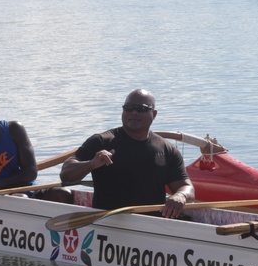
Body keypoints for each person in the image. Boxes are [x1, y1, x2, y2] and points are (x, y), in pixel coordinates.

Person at [60, 89, 194, 219]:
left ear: (154, 114)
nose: (134, 112)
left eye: (141, 108)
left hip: (151, 225)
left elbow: (187, 187)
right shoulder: (101, 141)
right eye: (129, 108)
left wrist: (181, 195)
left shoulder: (167, 150)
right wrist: (91, 164)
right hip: (108, 224)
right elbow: (66, 174)